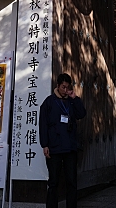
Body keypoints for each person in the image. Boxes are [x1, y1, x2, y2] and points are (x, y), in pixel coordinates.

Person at [39, 72, 87, 208]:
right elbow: (43, 124)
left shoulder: (71, 101)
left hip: (70, 146)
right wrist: (45, 144)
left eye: (68, 87)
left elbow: (81, 114)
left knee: (71, 180)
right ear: (58, 86)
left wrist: (75, 98)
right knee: (53, 181)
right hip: (54, 147)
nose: (66, 90)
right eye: (63, 87)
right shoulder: (48, 102)